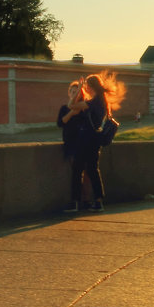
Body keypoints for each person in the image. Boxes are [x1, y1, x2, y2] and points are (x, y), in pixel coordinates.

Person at [65, 72, 126, 214]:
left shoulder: (91, 103)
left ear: (90, 87)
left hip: (85, 139)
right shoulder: (103, 102)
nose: (85, 87)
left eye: (86, 85)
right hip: (95, 140)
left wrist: (79, 89)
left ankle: (74, 202)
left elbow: (70, 105)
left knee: (77, 170)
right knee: (93, 170)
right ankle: (98, 201)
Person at [57, 81, 88, 212]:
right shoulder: (64, 108)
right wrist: (71, 114)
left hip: (82, 144)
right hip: (69, 144)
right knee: (76, 173)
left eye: (77, 92)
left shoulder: (83, 107)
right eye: (72, 92)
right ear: (69, 93)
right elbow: (60, 123)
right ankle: (78, 202)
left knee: (79, 173)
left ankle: (79, 202)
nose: (74, 94)